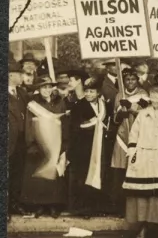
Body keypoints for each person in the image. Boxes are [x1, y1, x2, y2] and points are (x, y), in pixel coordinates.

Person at [122, 86, 158, 238]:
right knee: (142, 193)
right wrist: (133, 152)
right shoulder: (143, 114)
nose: (153, 100)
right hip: (142, 156)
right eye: (152, 97)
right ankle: (143, 226)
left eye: (157, 97)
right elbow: (134, 134)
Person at [21, 76, 69, 218]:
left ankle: (54, 205)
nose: (47, 90)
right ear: (38, 89)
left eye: (49, 87)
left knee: (55, 174)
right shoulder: (33, 104)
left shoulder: (60, 102)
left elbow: (65, 123)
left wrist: (65, 143)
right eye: (44, 87)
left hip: (56, 143)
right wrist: (32, 144)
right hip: (39, 143)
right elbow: (29, 125)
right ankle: (40, 205)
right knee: (39, 176)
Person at [69, 77, 115, 217]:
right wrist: (92, 126)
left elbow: (109, 122)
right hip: (84, 147)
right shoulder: (78, 106)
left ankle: (97, 207)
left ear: (98, 93)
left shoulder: (104, 105)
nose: (88, 94)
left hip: (101, 145)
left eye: (92, 91)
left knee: (100, 174)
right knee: (84, 176)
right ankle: (83, 209)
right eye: (86, 91)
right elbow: (75, 127)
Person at [110, 68, 150, 216]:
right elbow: (114, 117)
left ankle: (136, 208)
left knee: (136, 171)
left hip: (138, 136)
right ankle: (120, 207)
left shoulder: (143, 94)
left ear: (137, 80)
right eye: (127, 79)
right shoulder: (119, 94)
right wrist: (121, 113)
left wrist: (132, 109)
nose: (130, 82)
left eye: (133, 79)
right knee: (121, 171)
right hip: (122, 136)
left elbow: (147, 114)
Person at [9, 61, 28, 218]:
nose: (23, 76)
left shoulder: (22, 93)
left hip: (21, 141)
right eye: (19, 74)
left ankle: (14, 204)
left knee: (17, 174)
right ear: (10, 76)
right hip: (7, 141)